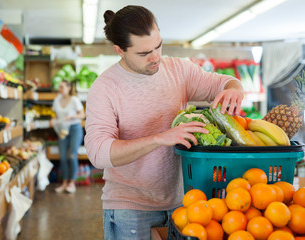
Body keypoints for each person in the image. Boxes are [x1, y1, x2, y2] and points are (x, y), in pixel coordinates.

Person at [85, 5, 244, 239]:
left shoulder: (179, 70)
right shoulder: (105, 88)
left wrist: (234, 89)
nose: (155, 57)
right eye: (143, 53)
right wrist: (159, 139)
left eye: (158, 46)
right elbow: (97, 153)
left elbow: (223, 82)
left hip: (183, 202)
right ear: (119, 50)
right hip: (129, 207)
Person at [52, 80, 85, 194]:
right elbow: (56, 116)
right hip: (62, 130)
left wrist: (71, 116)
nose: (59, 89)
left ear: (69, 88)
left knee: (71, 155)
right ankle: (64, 183)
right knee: (63, 157)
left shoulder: (74, 100)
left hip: (75, 129)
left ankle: (72, 183)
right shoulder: (56, 100)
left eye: (62, 87)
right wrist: (54, 120)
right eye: (59, 87)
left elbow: (82, 115)